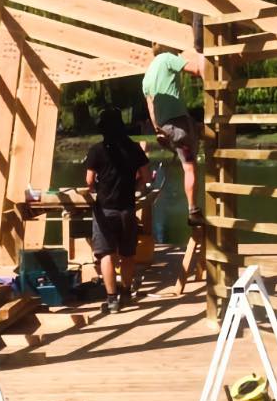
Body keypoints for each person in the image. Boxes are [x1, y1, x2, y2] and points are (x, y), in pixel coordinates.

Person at [84, 107, 149, 313]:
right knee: (128, 254)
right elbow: (145, 177)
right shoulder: (134, 148)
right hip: (127, 209)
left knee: (107, 255)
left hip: (105, 209)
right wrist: (136, 186)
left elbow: (88, 181)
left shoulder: (97, 150)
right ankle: (127, 293)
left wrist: (95, 188)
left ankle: (112, 300)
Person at [142, 44, 205, 227]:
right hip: (179, 126)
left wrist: (158, 131)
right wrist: (201, 53)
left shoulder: (146, 76)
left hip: (166, 129)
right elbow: (196, 69)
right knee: (190, 168)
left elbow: (151, 107)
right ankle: (194, 211)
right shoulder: (167, 58)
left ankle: (197, 130)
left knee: (191, 139)